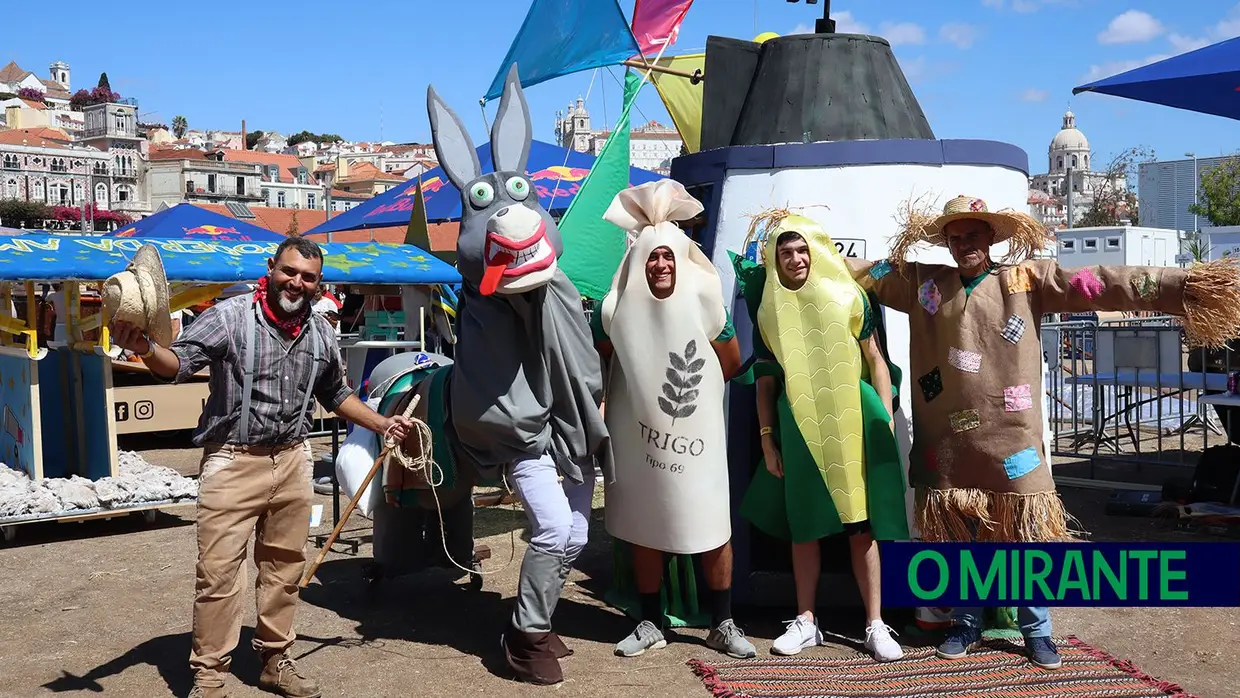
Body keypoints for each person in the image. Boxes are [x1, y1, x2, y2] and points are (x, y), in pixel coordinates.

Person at [849, 194, 1240, 670]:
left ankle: (1038, 631)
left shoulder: (1024, 280)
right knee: (965, 538)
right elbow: (860, 271)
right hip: (951, 444)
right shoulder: (926, 284)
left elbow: (1100, 283)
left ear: (991, 237)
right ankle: (967, 621)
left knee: (1023, 539)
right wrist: (801, 252)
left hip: (1013, 437)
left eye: (972, 234)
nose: (963, 244)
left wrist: (1187, 285)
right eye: (955, 237)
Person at [111, 236, 415, 698]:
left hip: (294, 460)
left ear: (318, 284)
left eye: (308, 277)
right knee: (217, 576)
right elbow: (176, 365)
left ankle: (275, 660)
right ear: (271, 268)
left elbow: (336, 394)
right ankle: (210, 676)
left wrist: (382, 423)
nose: (296, 282)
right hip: (232, 462)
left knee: (284, 569)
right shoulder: (229, 319)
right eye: (289, 271)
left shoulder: (321, 334)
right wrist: (145, 348)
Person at [732, 211, 907, 661]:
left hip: (853, 419)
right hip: (799, 425)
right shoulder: (768, 307)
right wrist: (768, 439)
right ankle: (806, 620)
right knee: (804, 525)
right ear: (775, 257)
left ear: (815, 250)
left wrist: (885, 415)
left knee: (861, 525)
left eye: (801, 248)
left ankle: (874, 623)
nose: (794, 258)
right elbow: (767, 382)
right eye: (785, 251)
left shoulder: (849, 293)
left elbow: (876, 359)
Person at [592, 181, 755, 659]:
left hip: (695, 437)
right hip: (639, 439)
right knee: (648, 524)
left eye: (667, 257)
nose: (660, 265)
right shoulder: (615, 313)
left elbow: (729, 361)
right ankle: (649, 621)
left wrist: (693, 406)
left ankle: (722, 622)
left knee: (709, 524)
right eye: (651, 258)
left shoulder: (710, 310)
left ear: (682, 261)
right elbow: (607, 361)